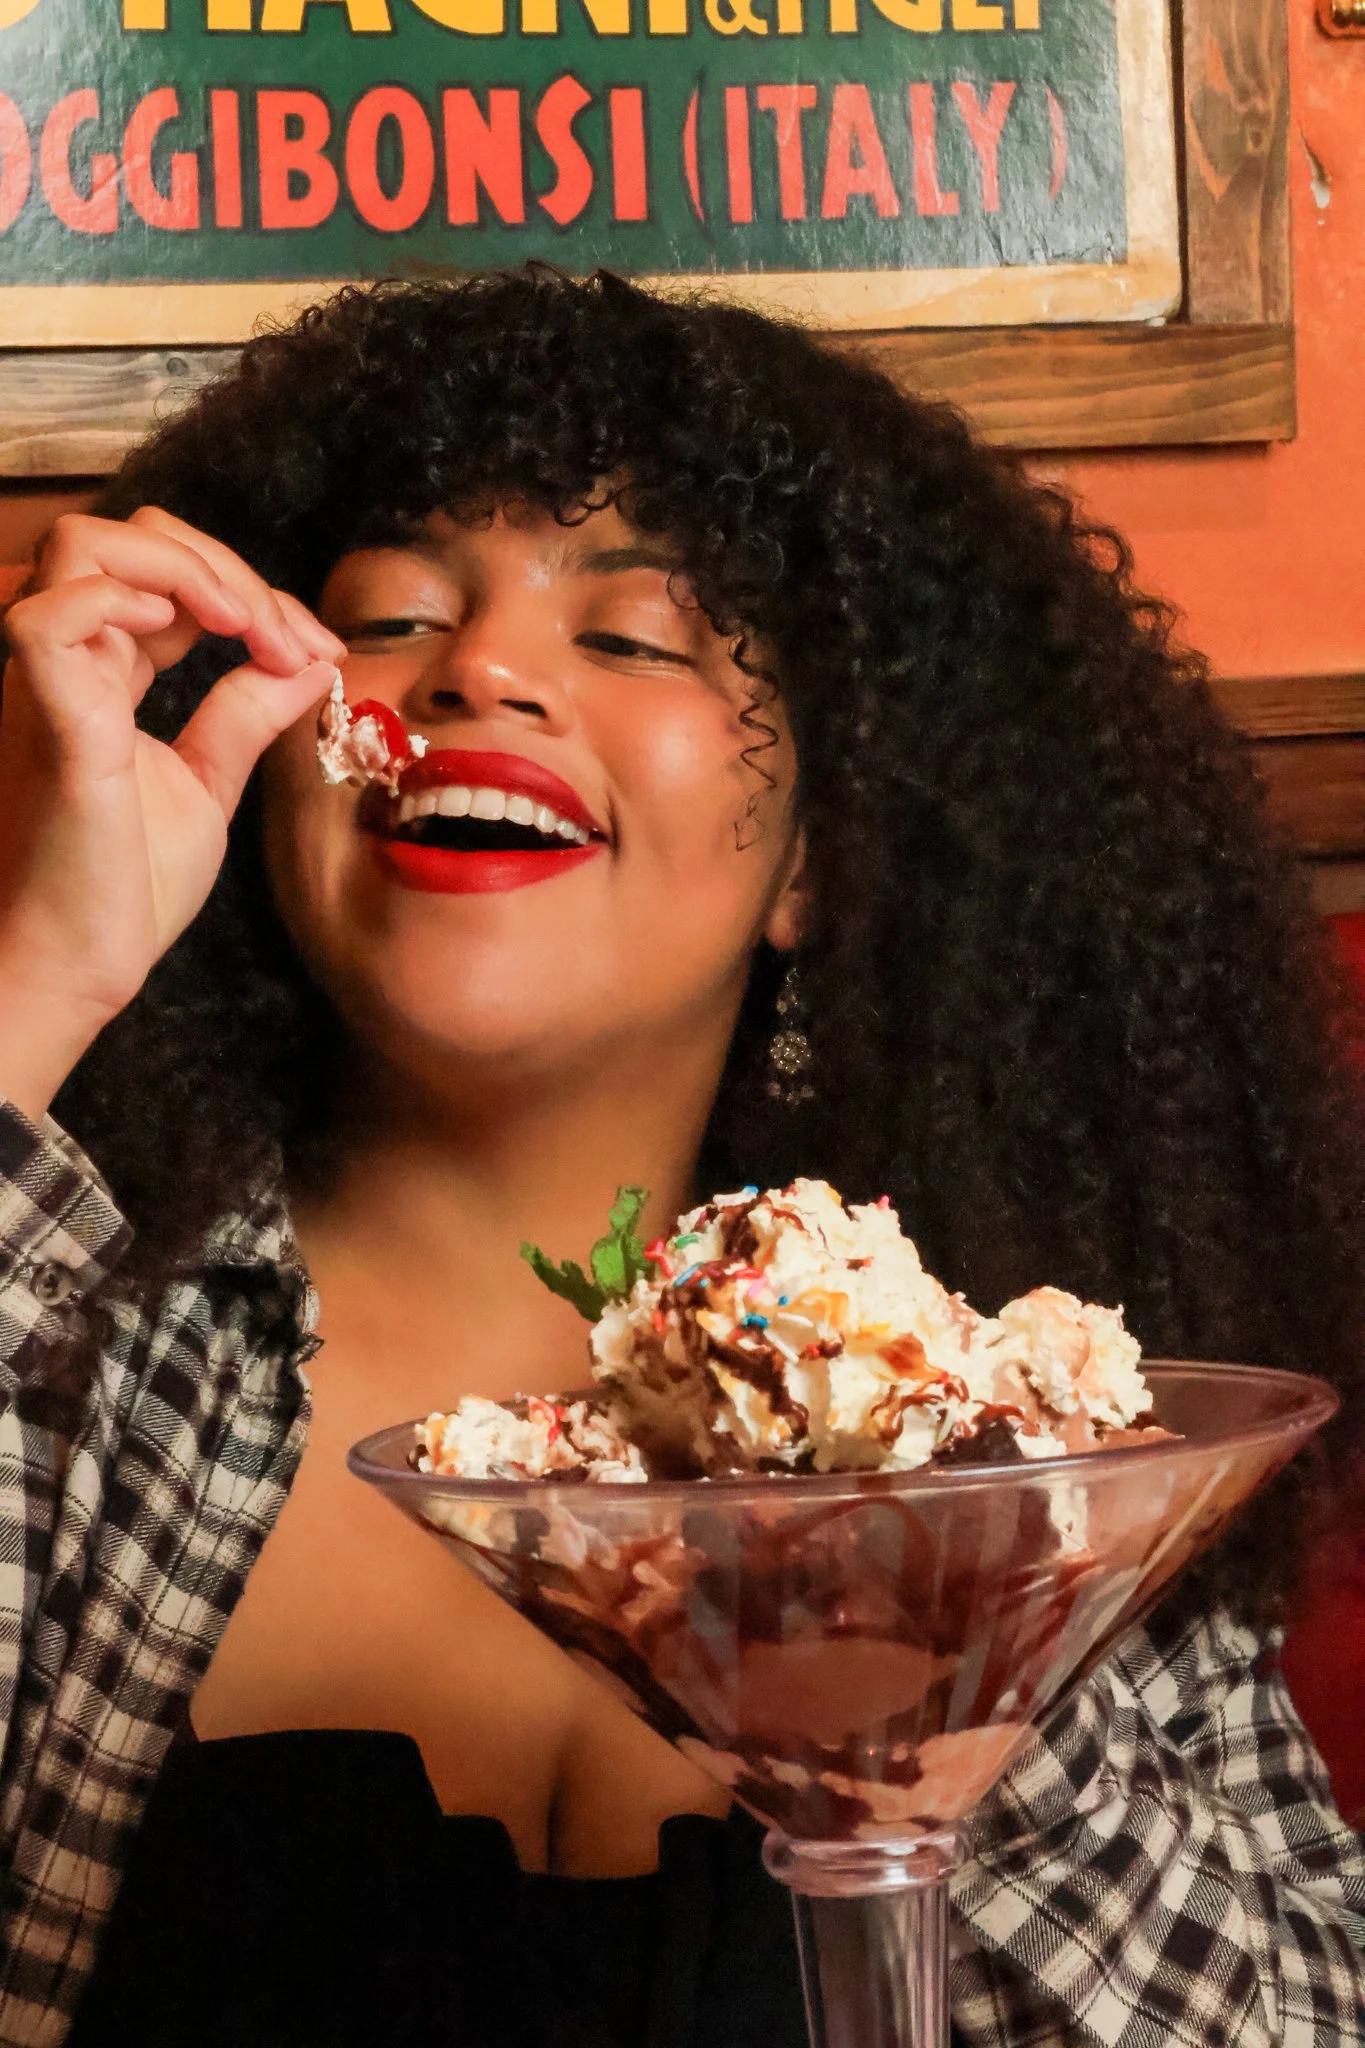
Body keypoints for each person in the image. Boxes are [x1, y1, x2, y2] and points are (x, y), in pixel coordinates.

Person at [0, 267, 1360, 2048]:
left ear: (814, 869)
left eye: (636, 635)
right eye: (393, 614)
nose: (481, 668)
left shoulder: (1025, 1429)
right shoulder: (76, 1341)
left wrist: (949, 1637)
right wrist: (46, 973)